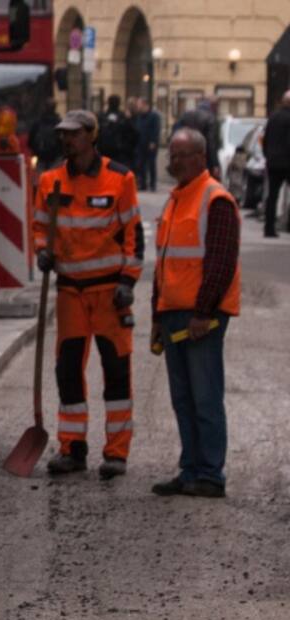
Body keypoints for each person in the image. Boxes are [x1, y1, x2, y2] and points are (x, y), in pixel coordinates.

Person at [32, 109, 144, 480]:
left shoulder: (120, 178)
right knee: (68, 371)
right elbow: (39, 226)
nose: (67, 140)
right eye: (64, 134)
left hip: (109, 292)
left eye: (75, 134)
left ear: (91, 137)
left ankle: (115, 454)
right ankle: (72, 449)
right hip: (70, 293)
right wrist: (41, 251)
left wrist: (128, 280)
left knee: (115, 372)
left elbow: (134, 235)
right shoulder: (50, 181)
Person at [150, 128, 241, 498]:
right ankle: (190, 470)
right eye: (171, 154)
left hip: (201, 316)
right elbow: (165, 263)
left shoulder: (215, 199)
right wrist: (157, 315)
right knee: (183, 398)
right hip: (174, 313)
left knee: (204, 396)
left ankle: (210, 475)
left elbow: (219, 262)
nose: (174, 162)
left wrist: (203, 313)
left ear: (201, 158)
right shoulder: (176, 200)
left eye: (181, 155)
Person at [261, 90, 290, 237]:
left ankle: (269, 228)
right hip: (287, 161)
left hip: (273, 162)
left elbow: (265, 140)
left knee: (272, 196)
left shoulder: (273, 117)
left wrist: (267, 155)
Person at [175, 98, 220, 178]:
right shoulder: (211, 118)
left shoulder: (186, 115)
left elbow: (176, 133)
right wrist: (215, 164)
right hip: (204, 159)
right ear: (211, 106)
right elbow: (211, 143)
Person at [97, 94, 137, 171]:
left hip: (104, 151)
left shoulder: (102, 116)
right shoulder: (123, 117)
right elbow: (133, 135)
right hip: (120, 153)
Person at [133, 98, 162, 191]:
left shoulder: (154, 116)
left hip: (150, 143)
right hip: (140, 143)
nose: (138, 106)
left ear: (145, 105)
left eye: (139, 104)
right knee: (141, 164)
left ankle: (153, 184)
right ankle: (143, 183)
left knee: (151, 164)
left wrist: (153, 141)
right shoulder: (139, 116)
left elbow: (155, 129)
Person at [28, 98, 63, 172]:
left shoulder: (37, 123)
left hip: (41, 159)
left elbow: (30, 141)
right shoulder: (59, 123)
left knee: (42, 180)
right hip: (55, 159)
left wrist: (36, 152)